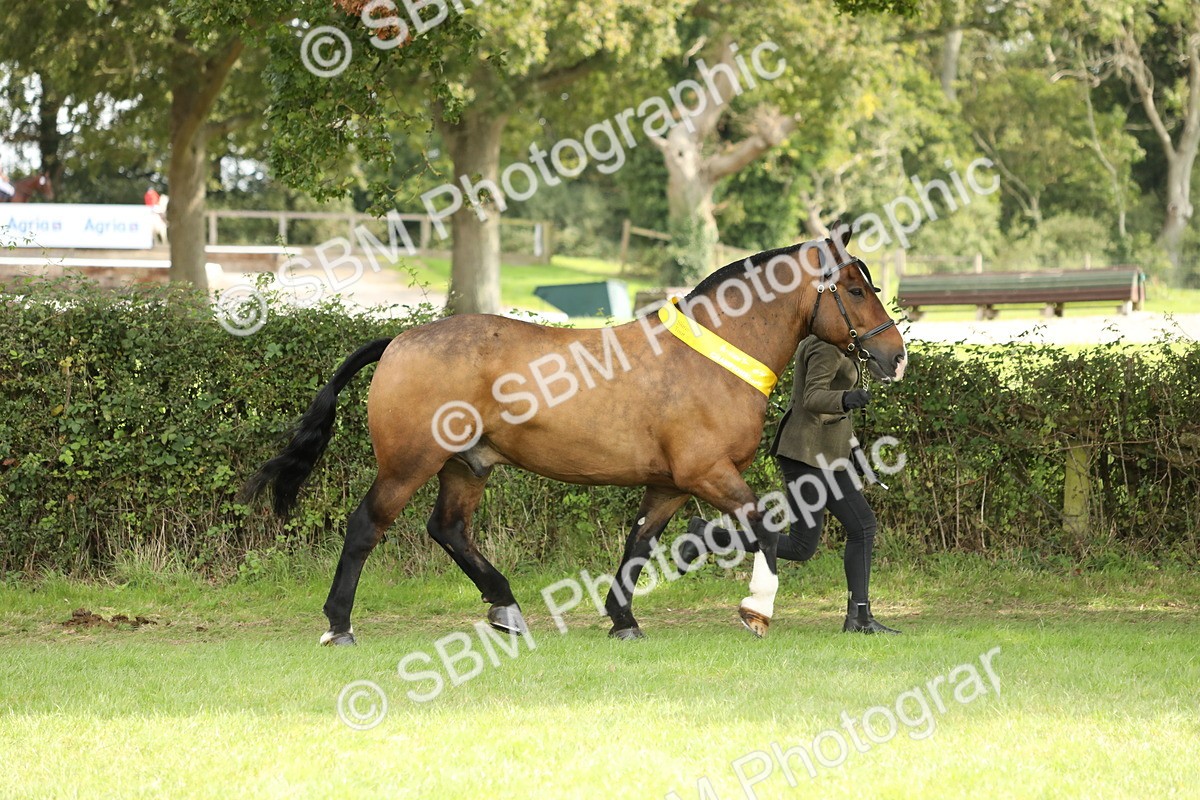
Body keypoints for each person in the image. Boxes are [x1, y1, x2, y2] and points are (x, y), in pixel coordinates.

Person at [676, 334, 900, 634]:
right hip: (806, 454)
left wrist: (854, 451)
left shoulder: (843, 345)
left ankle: (859, 617)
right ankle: (708, 537)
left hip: (832, 455)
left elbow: (835, 416)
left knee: (862, 526)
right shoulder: (824, 345)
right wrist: (847, 399)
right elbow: (812, 397)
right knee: (801, 546)